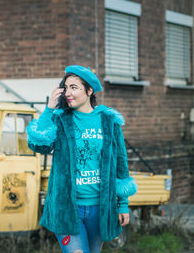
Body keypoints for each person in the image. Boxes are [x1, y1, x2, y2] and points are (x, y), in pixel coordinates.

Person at [27, 65, 137, 253]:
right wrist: (49, 109)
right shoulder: (61, 119)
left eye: (74, 87)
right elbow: (39, 145)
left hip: (100, 207)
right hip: (68, 207)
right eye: (66, 88)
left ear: (89, 90)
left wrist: (123, 204)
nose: (68, 93)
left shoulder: (109, 121)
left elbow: (120, 163)